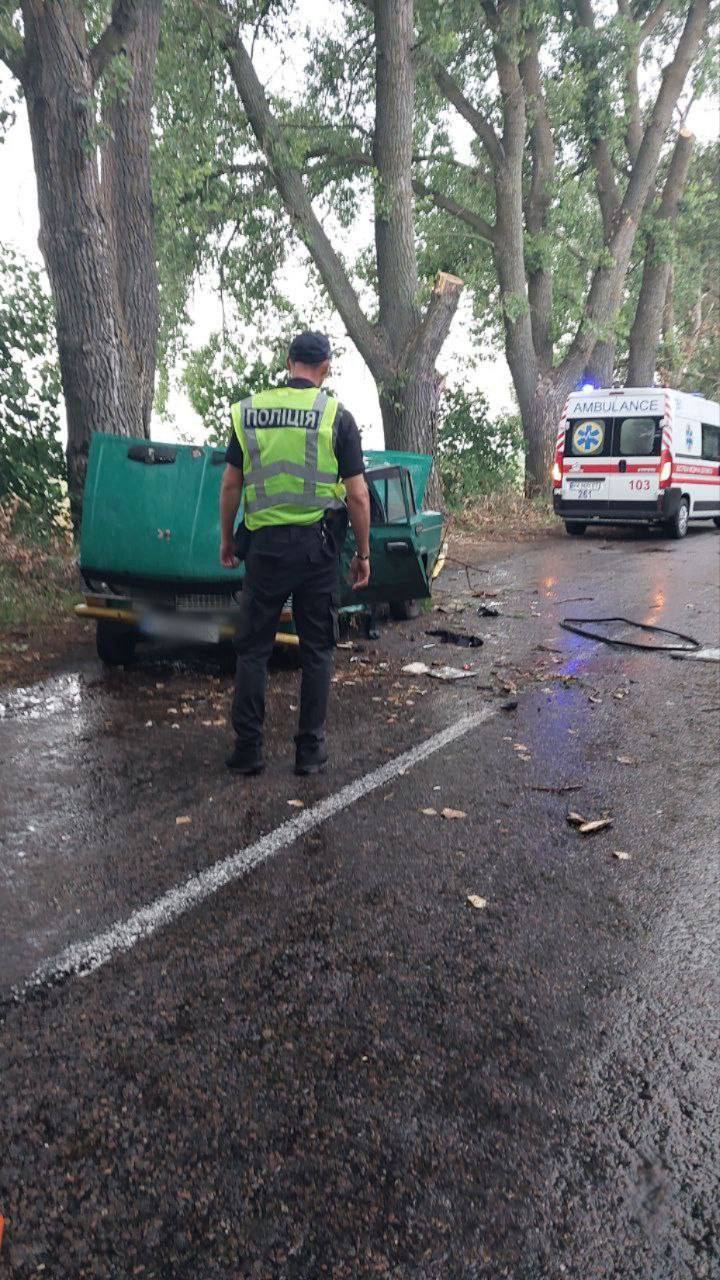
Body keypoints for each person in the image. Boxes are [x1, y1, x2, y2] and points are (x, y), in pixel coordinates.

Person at [219, 331, 371, 776]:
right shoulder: (336, 417)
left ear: (289, 362)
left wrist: (228, 540)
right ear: (326, 366)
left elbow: (231, 484)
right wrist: (362, 553)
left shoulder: (249, 413)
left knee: (252, 649)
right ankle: (309, 752)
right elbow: (358, 496)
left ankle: (248, 750)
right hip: (317, 551)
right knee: (318, 649)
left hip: (264, 550)